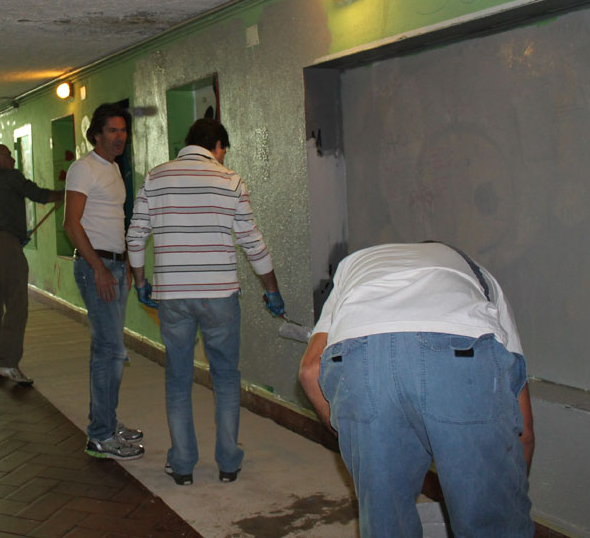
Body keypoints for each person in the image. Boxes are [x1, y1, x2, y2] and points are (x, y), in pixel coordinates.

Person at [298, 242, 535, 537]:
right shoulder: (478, 276)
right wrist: (505, 489)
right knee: (492, 524)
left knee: (386, 520)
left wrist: (353, 433)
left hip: (361, 355)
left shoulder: (354, 267)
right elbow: (523, 432)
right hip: (459, 347)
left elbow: (310, 371)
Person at [126, 118, 285, 485]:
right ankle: (228, 462)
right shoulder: (231, 181)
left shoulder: (155, 177)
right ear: (217, 146)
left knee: (178, 377)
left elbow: (135, 236)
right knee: (225, 376)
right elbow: (252, 241)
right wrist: (272, 289)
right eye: (223, 150)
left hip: (172, 296)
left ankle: (182, 464)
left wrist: (140, 281)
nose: (222, 157)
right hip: (219, 295)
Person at [63, 102, 144, 461]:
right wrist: (98, 268)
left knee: (110, 349)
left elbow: (114, 220)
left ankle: (107, 422)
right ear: (96, 134)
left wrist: (124, 263)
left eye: (123, 130)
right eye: (112, 130)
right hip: (96, 265)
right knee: (109, 351)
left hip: (114, 265)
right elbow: (71, 224)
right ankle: (100, 435)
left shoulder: (112, 168)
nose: (119, 137)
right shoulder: (83, 169)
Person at [0, 143, 62, 385]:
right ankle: (7, 362)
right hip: (5, 244)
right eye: (9, 156)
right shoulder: (10, 176)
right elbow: (39, 195)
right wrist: (67, 194)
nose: (13, 160)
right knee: (16, 302)